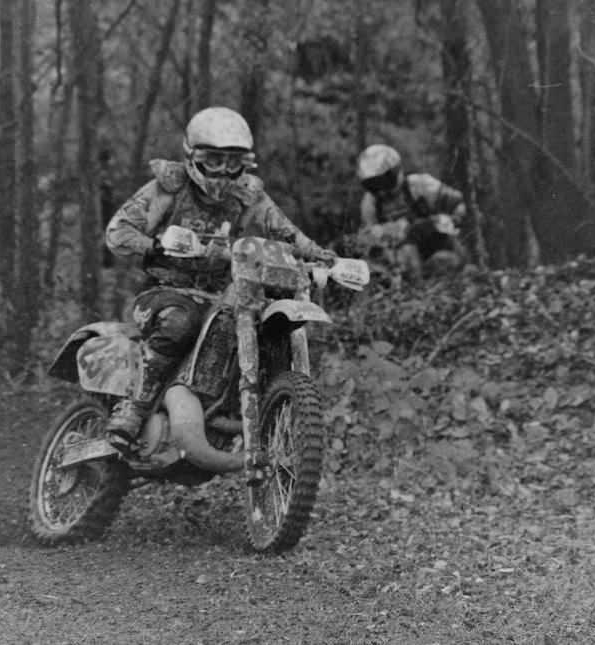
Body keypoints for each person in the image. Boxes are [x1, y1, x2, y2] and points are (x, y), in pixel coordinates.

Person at [103, 106, 332, 449]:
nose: (223, 171)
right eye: (213, 160)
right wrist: (154, 245)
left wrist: (321, 255)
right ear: (192, 155)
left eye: (232, 161)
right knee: (181, 322)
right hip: (163, 291)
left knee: (260, 326)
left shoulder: (247, 194)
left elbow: (285, 232)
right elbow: (118, 231)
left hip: (222, 292)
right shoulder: (169, 187)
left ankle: (234, 412)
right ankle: (133, 408)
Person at [356, 143, 467, 277]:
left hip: (436, 248)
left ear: (396, 172)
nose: (382, 190)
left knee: (443, 261)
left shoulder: (420, 185)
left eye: (386, 181)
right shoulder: (370, 203)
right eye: (374, 185)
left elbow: (459, 203)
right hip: (398, 262)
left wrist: (449, 220)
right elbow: (368, 238)